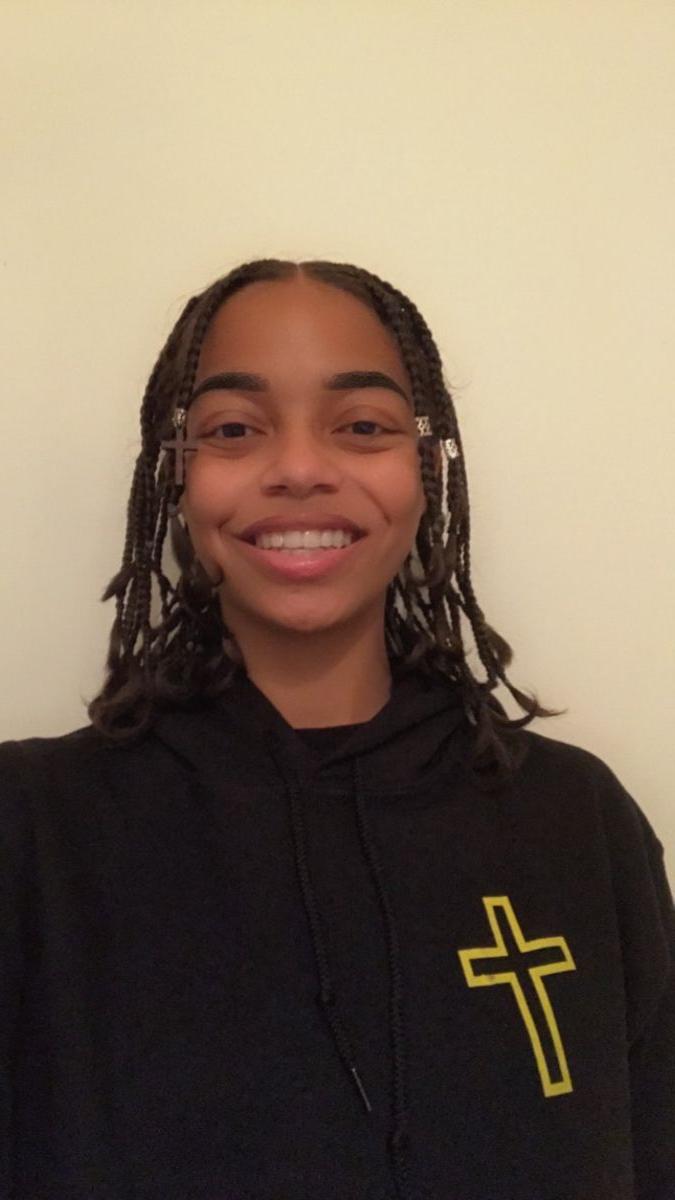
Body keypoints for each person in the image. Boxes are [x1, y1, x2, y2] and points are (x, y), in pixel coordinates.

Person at [0, 258, 673, 1200]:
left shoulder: (577, 821)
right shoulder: (34, 833)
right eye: (233, 430)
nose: (302, 469)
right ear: (177, 480)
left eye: (361, 427)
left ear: (424, 470)